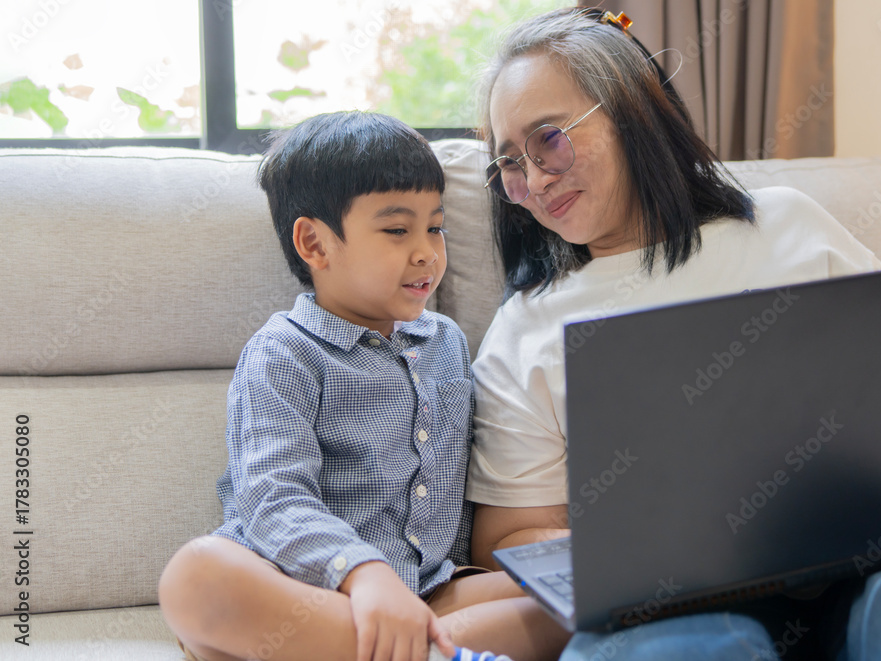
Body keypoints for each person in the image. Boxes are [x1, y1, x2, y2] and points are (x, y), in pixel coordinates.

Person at [465, 7, 881, 661]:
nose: (534, 180)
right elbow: (507, 532)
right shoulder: (527, 325)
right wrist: (626, 552)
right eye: (510, 163)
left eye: (548, 139)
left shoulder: (788, 225)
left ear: (634, 112)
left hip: (875, 561)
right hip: (674, 608)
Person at [158, 111, 571, 661]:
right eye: (397, 230)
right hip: (301, 592)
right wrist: (364, 571)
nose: (426, 252)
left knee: (579, 589)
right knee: (195, 575)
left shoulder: (445, 342)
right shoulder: (284, 352)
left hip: (426, 594)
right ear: (315, 244)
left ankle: (405, 650)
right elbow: (272, 498)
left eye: (435, 227)